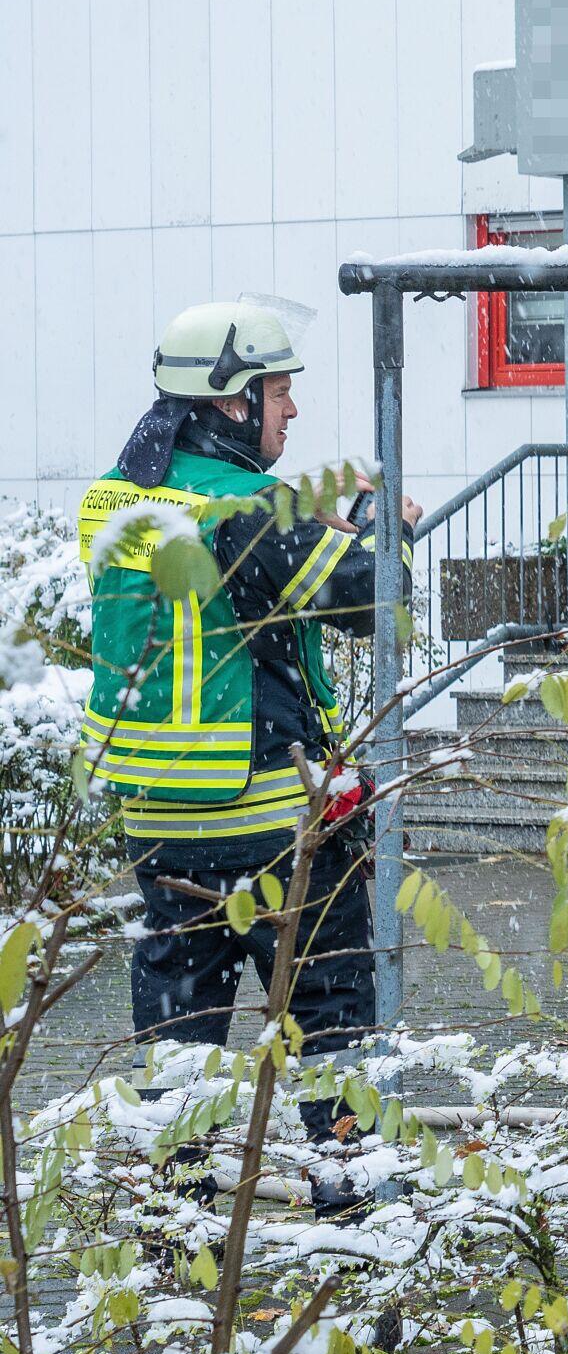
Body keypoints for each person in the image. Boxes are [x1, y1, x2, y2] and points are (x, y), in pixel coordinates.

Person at [82, 300, 418, 1218]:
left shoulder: (118, 497)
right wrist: (380, 526)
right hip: (266, 819)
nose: (292, 413)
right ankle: (355, 1197)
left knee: (181, 1028)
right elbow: (368, 598)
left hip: (156, 824)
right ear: (229, 403)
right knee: (329, 1005)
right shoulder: (244, 514)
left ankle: (175, 1214)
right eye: (280, 392)